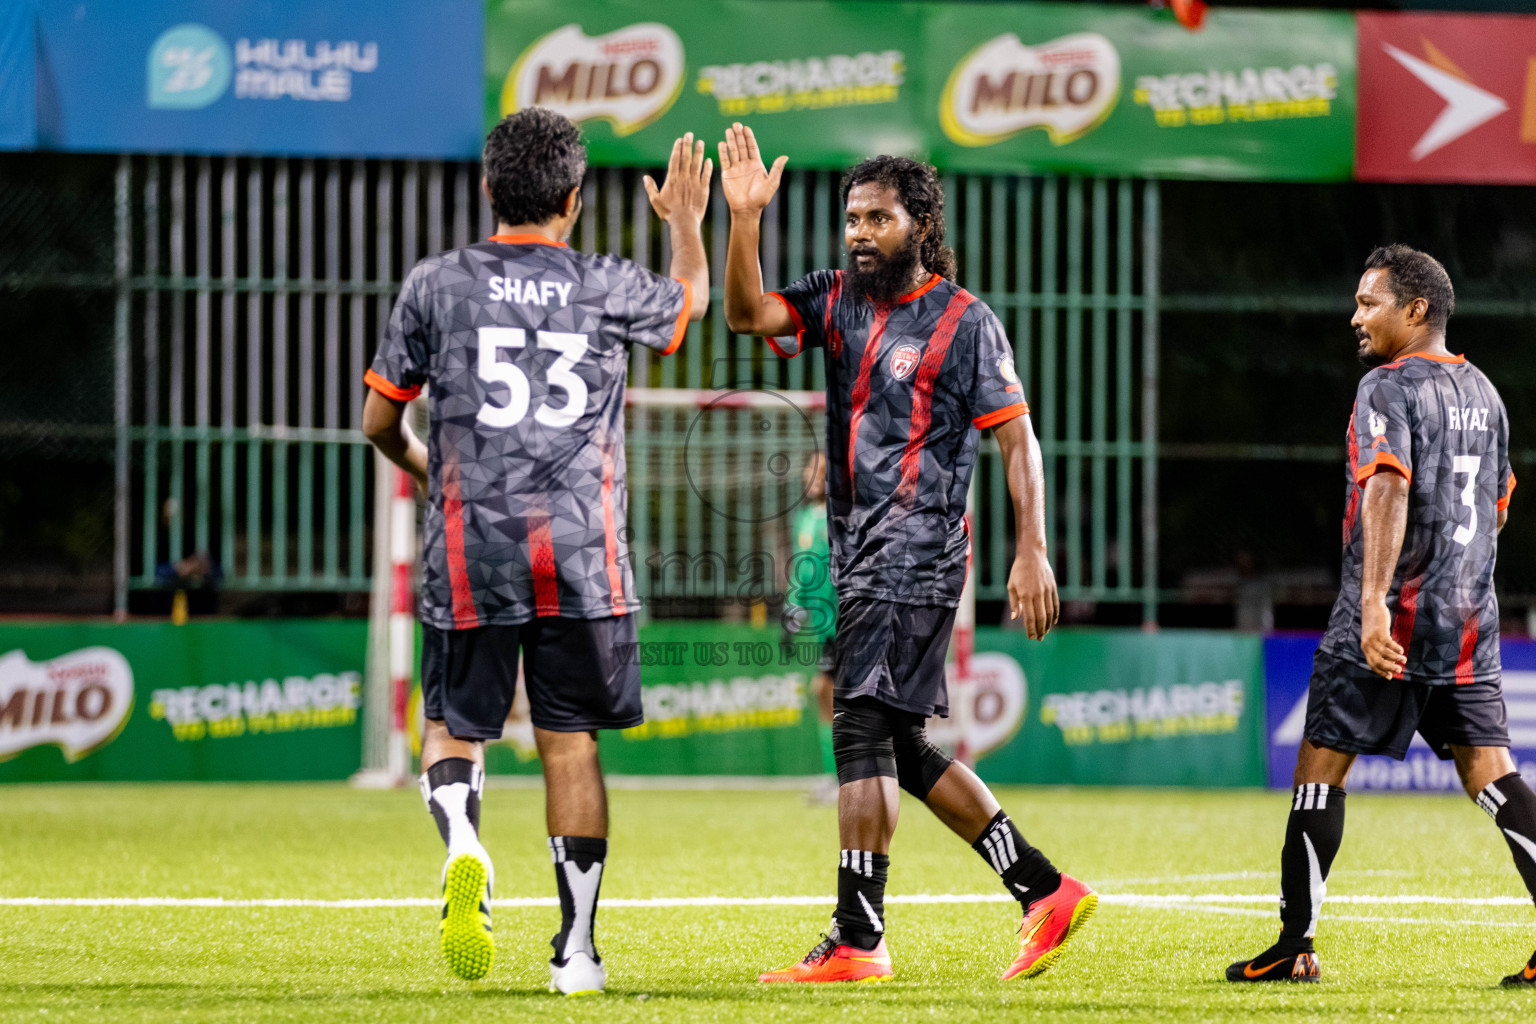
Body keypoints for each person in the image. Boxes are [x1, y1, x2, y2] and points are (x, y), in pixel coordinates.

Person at [718, 122, 1095, 984]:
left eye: (877, 219)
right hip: (859, 554)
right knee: (897, 745)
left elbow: (1018, 440)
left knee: (857, 726)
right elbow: (746, 314)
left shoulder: (966, 324)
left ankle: (858, 937)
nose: (859, 233)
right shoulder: (837, 298)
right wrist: (743, 221)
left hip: (918, 548)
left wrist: (1032, 548)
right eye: (851, 218)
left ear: (920, 224)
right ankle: (1043, 889)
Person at [361, 108, 711, 995]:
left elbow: (378, 420)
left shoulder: (437, 282)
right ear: (574, 198)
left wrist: (423, 468)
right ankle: (578, 954)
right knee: (570, 745)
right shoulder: (601, 282)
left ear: (487, 189)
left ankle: (466, 842)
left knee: (453, 725)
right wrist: (688, 227)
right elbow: (688, 311)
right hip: (582, 550)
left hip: (471, 543)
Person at [1224, 245, 1529, 986]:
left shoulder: (1385, 389)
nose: (1356, 316)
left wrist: (1372, 603)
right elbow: (1499, 505)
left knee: (1320, 766)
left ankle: (1295, 944)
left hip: (1392, 614)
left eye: (1370, 303)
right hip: (1466, 619)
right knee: (1492, 774)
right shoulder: (1485, 391)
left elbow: (1387, 488)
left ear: (1415, 310)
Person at [784, 452, 839, 804]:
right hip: (824, 627)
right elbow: (802, 569)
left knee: (827, 692)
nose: (814, 477)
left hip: (845, 620)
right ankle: (838, 778)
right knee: (825, 694)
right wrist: (793, 608)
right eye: (810, 470)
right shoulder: (804, 517)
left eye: (822, 470)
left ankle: (843, 779)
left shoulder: (842, 516)